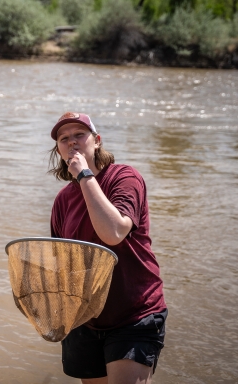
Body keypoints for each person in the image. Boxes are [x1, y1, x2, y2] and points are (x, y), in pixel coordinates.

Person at [48, 112, 167, 384]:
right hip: (85, 319)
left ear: (97, 141)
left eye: (79, 135)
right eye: (63, 139)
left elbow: (113, 232)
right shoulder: (63, 200)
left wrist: (84, 174)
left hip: (134, 313)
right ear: (59, 149)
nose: (72, 143)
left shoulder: (125, 178)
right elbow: (63, 262)